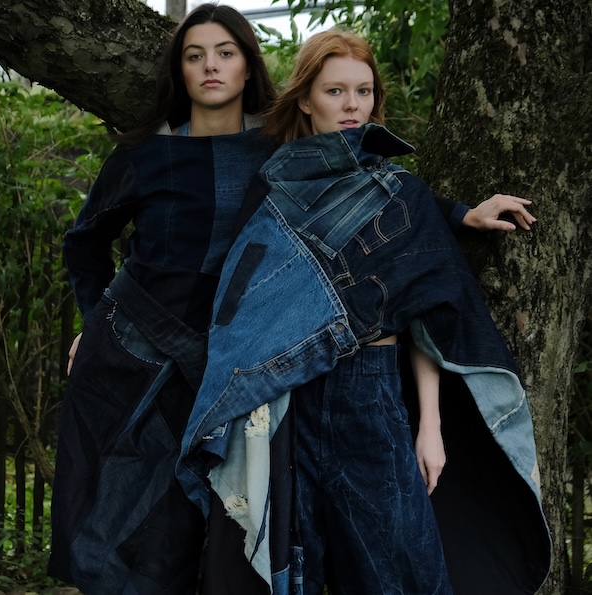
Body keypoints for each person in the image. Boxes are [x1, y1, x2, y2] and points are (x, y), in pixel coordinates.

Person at [177, 29, 552, 595]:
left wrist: (431, 428)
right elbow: (240, 301)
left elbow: (426, 315)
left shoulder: (400, 193)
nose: (352, 105)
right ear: (307, 99)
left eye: (363, 91)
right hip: (289, 402)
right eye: (335, 91)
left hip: (371, 396)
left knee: (400, 571)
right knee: (294, 568)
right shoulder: (274, 188)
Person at [48, 5, 277, 594]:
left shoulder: (279, 155)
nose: (210, 67)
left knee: (226, 535)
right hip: (135, 361)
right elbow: (84, 243)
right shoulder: (144, 154)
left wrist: (456, 215)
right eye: (194, 56)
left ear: (247, 66)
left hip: (233, 369)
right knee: (132, 527)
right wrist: (94, 318)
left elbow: (362, 192)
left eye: (225, 53)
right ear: (179, 71)